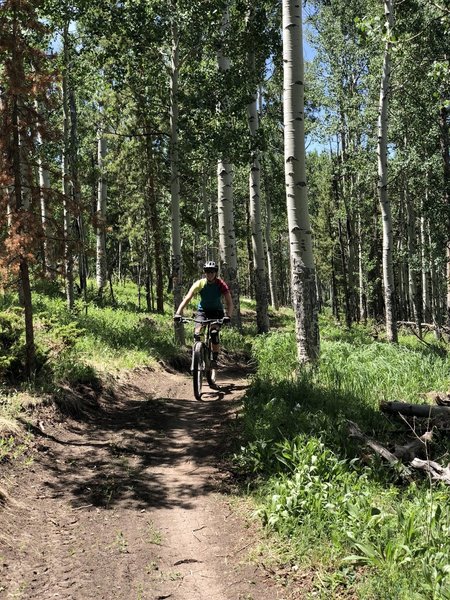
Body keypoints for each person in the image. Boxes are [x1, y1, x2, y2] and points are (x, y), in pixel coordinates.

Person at [174, 261, 233, 367]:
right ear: (204, 272)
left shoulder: (220, 284)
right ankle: (198, 355)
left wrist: (228, 316)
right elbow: (187, 298)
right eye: (207, 271)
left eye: (212, 271)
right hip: (203, 312)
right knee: (197, 333)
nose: (209, 274)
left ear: (215, 272)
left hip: (217, 312)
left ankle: (214, 359)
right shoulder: (200, 283)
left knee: (214, 333)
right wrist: (178, 313)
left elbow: (229, 302)